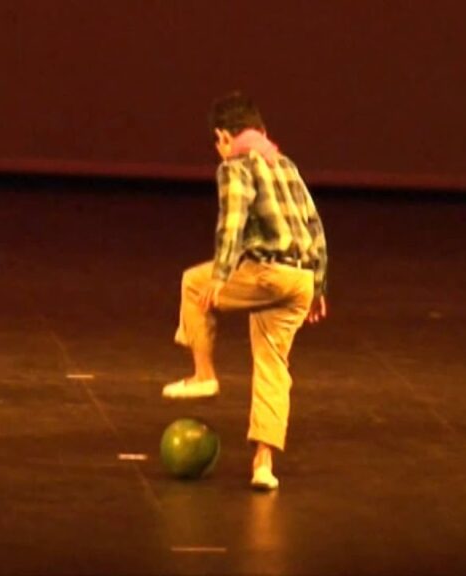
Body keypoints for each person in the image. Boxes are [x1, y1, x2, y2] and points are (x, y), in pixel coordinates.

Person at [162, 91, 328, 491]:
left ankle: (204, 374)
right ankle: (263, 465)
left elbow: (232, 223)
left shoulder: (236, 165)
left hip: (267, 272)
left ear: (222, 136)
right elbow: (315, 225)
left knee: (192, 281)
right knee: (273, 365)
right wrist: (318, 284)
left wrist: (219, 278)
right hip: (300, 280)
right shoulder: (285, 164)